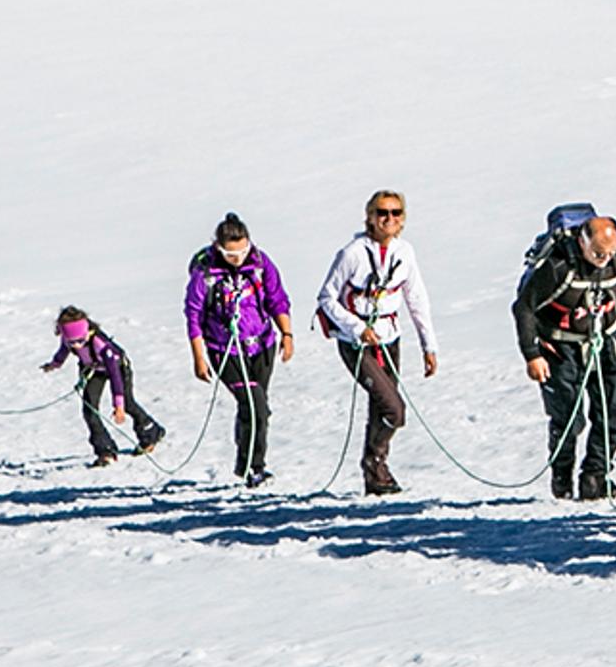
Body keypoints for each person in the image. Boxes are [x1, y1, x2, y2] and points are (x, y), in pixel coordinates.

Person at [514, 212, 616, 501]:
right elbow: (523, 308)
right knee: (568, 419)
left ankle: (595, 477)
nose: (604, 258)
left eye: (609, 252)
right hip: (561, 347)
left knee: (615, 410)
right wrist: (532, 354)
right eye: (598, 252)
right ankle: (561, 480)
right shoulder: (557, 267)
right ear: (582, 241)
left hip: (606, 339)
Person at [315, 191, 437, 498]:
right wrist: (356, 327)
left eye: (396, 213)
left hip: (389, 338)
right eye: (382, 212)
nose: (389, 219)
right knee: (394, 409)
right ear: (370, 216)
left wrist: (428, 345)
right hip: (356, 342)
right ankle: (374, 464)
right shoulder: (352, 253)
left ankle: (376, 477)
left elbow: (416, 298)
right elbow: (326, 298)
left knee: (380, 408)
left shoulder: (405, 252)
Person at [183, 216, 299, 486]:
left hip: (262, 345)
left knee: (257, 407)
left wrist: (287, 334)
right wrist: (199, 357)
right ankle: (253, 467)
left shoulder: (260, 264)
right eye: (230, 253)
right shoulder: (206, 274)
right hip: (224, 350)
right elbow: (194, 316)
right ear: (218, 247)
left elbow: (277, 298)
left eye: (242, 252)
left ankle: (245, 458)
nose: (237, 258)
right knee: (255, 406)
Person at [42, 307, 164, 465]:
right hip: (94, 370)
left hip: (117, 368)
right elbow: (63, 351)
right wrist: (54, 364)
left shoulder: (101, 344)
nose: (77, 346)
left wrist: (118, 405)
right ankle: (105, 450)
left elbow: (115, 376)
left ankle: (151, 432)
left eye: (80, 341)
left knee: (128, 404)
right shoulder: (69, 339)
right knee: (89, 409)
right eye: (72, 342)